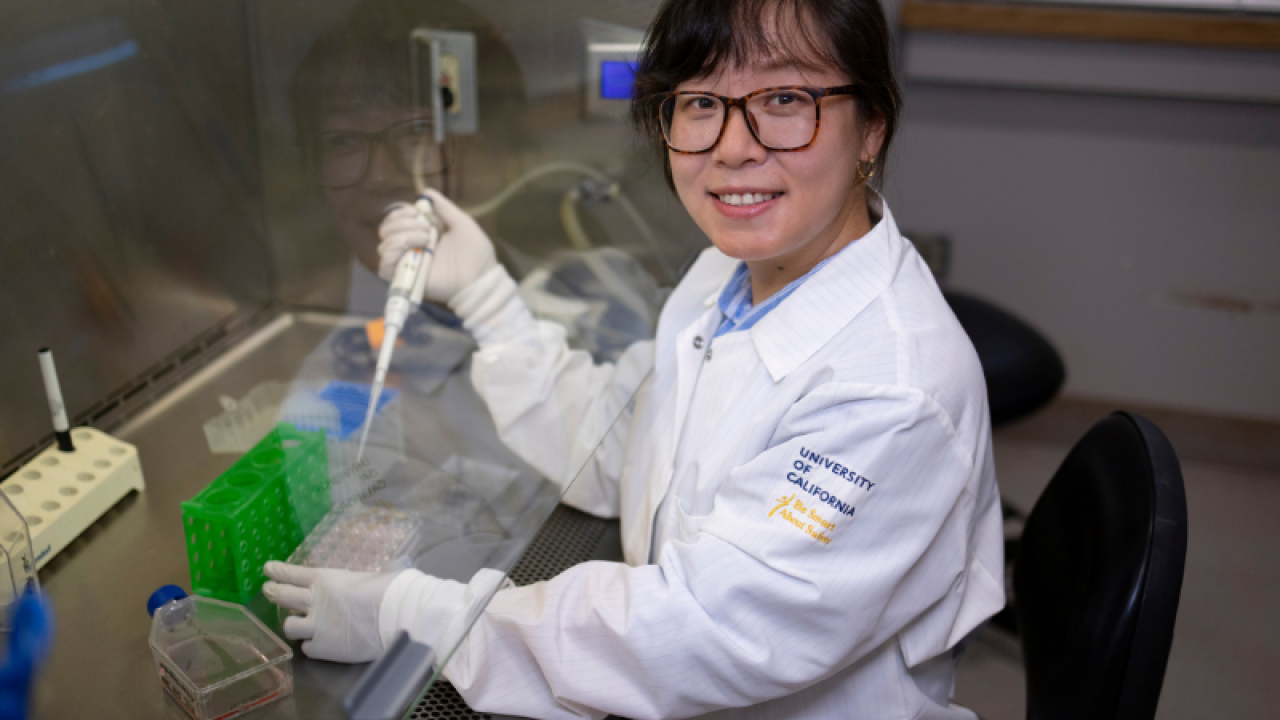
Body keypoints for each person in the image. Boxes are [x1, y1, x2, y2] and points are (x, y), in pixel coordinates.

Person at [264, 0, 1005, 718]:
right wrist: (488, 299)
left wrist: (415, 613)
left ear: (871, 126)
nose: (734, 146)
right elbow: (629, 451)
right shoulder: (728, 276)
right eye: (700, 103)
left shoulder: (892, 393)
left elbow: (694, 631)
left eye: (783, 97)